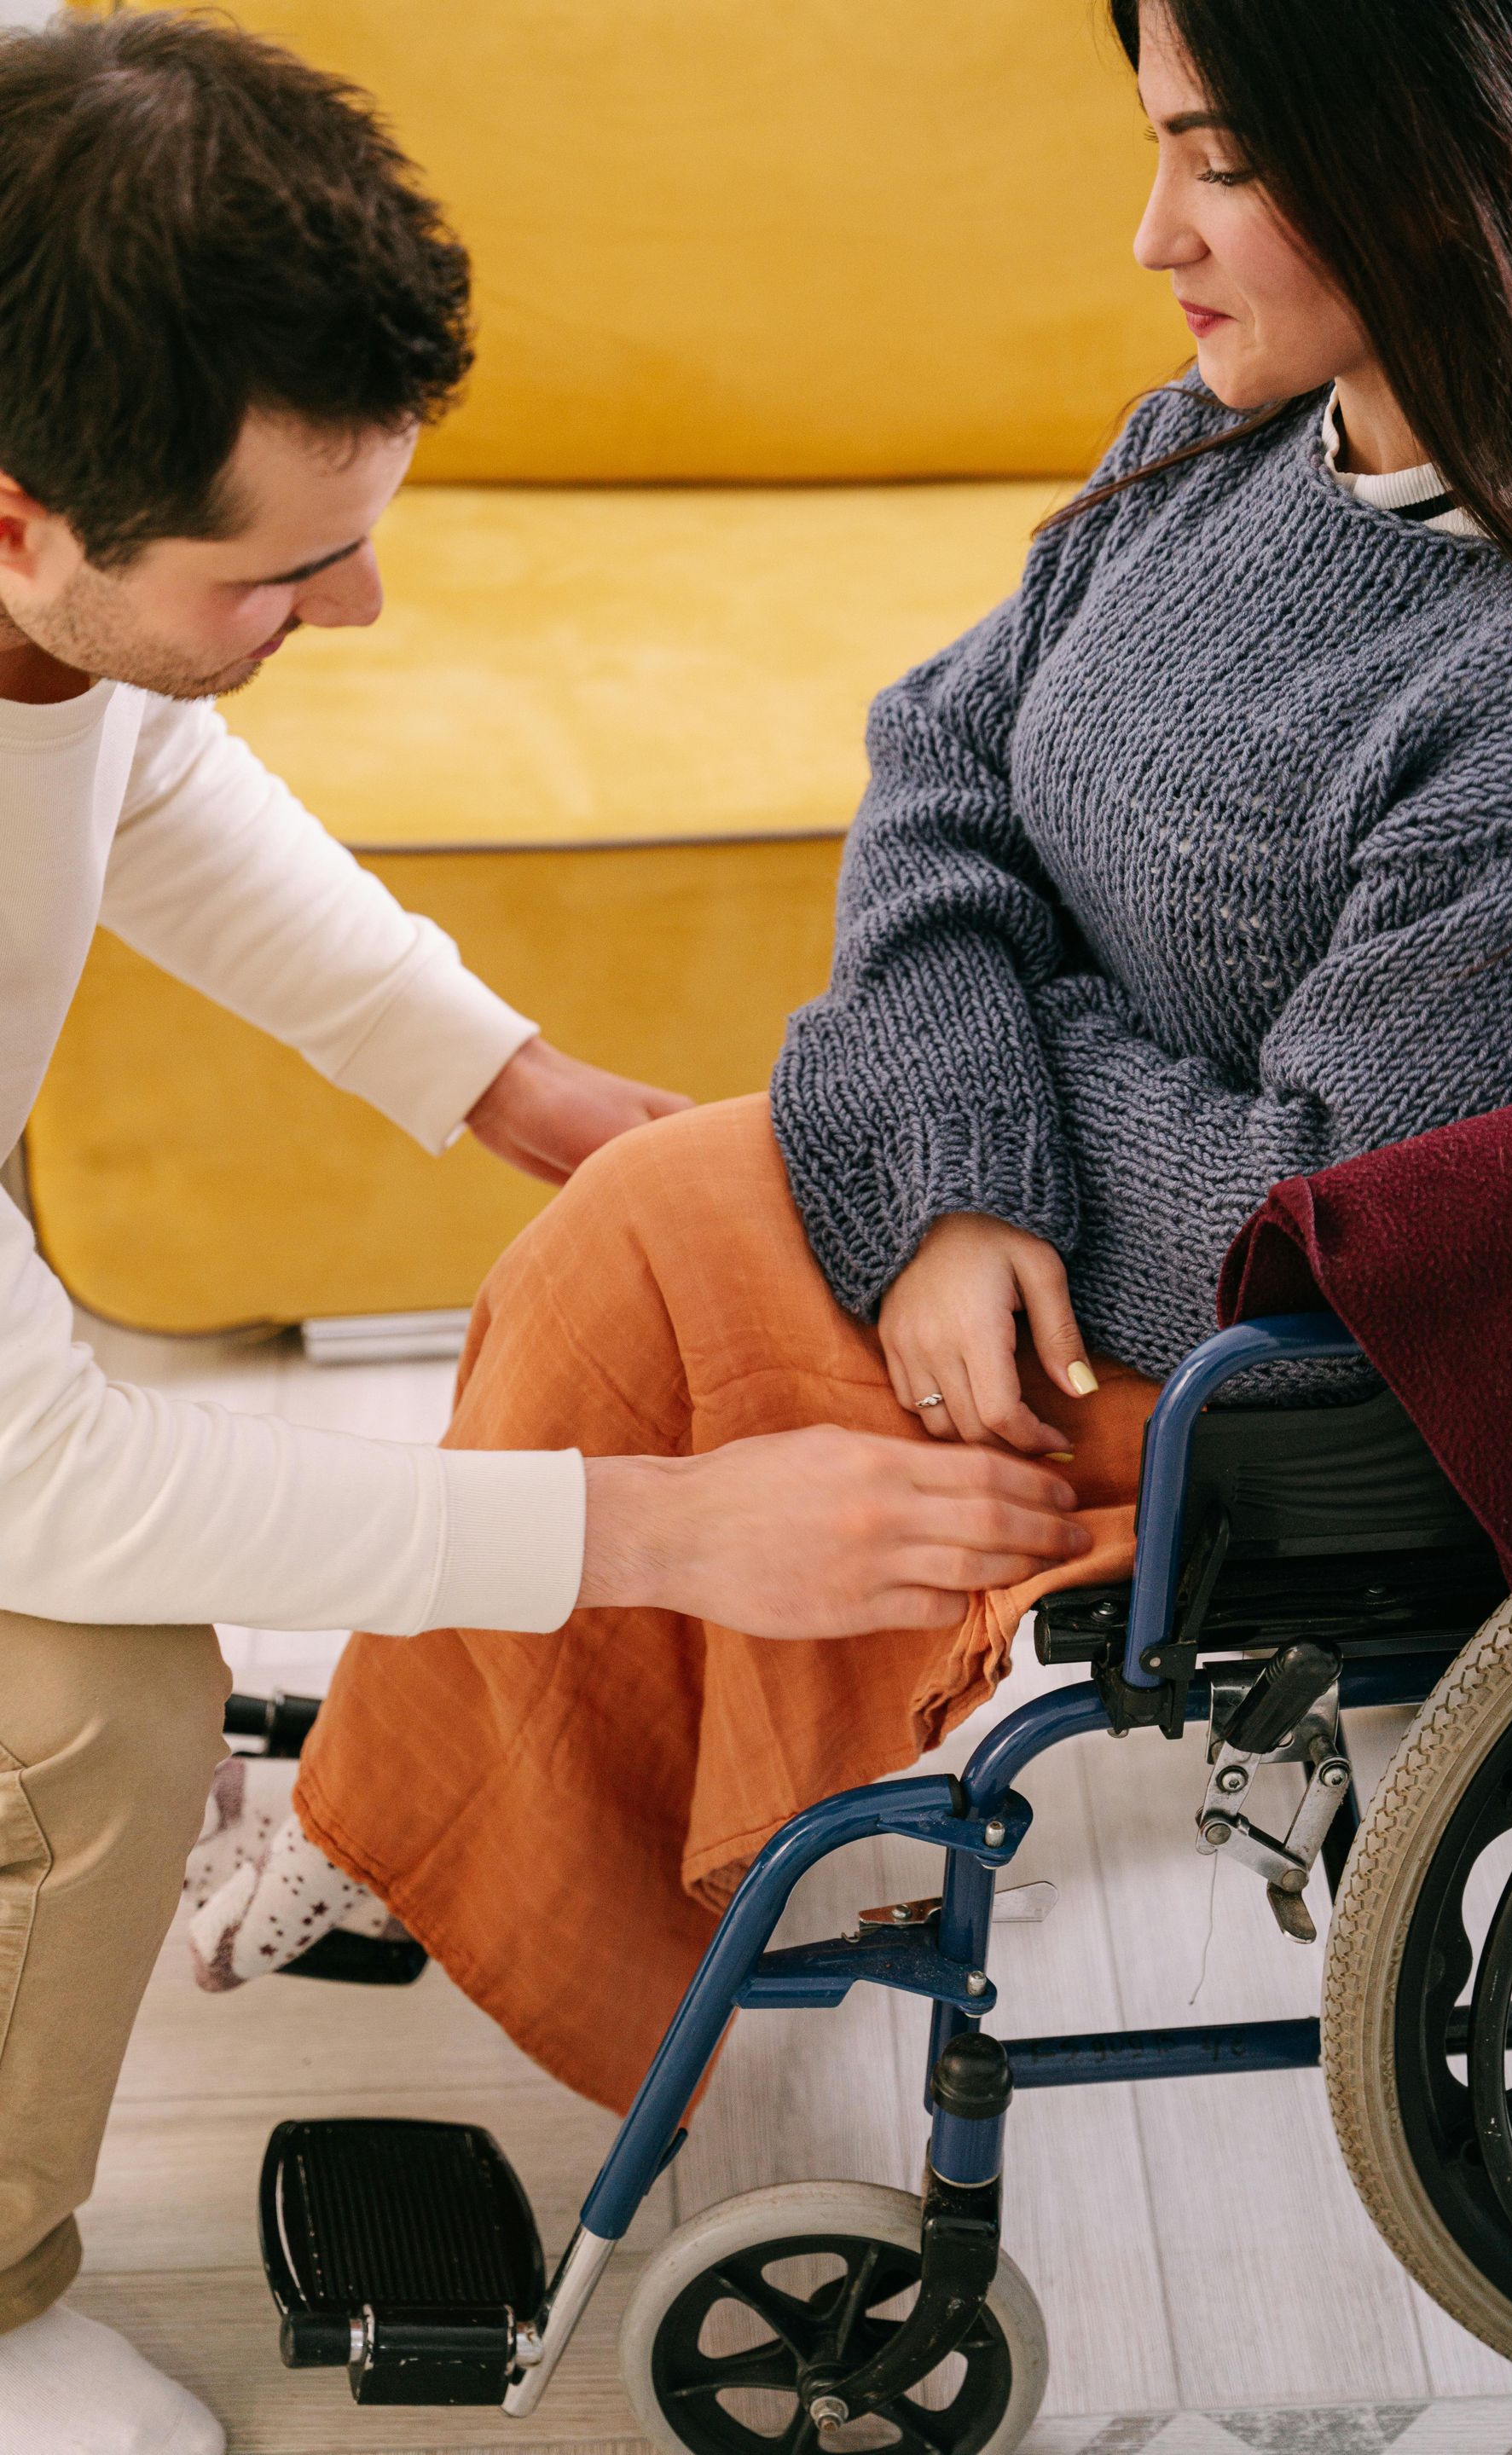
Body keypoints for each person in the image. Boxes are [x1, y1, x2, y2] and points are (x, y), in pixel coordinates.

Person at [233, 0, 1512, 2145]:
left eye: (1222, 163)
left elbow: (1334, 1227)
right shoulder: (1222, 436)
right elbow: (941, 759)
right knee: (652, 1234)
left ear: (1450, 170)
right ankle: (436, 1825)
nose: (1151, 230)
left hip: (1259, 1378)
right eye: (1157, 143)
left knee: (665, 1250)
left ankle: (468, 1855)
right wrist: (956, 1184)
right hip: (1073, 1240)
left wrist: (980, 1138)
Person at [0, 17, 1086, 2452]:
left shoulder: (60, 599)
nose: (367, 606)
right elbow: (43, 1480)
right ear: (20, 519)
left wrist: (521, 1091)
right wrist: (672, 1528)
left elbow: (137, 767)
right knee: (94, 1708)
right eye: (284, 568)